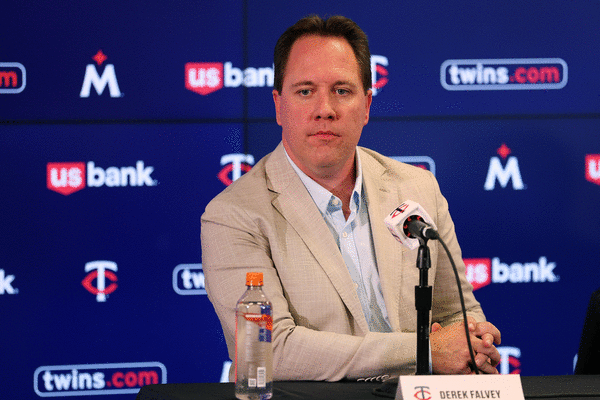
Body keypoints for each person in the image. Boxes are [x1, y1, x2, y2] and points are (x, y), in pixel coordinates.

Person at [201, 15, 501, 381]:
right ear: (278, 106)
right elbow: (268, 350)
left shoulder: (417, 188)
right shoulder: (234, 215)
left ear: (367, 105)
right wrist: (424, 349)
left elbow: (456, 314)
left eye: (342, 91)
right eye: (305, 91)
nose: (325, 109)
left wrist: (474, 339)